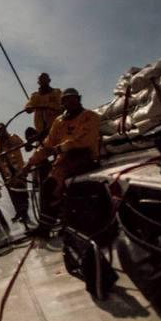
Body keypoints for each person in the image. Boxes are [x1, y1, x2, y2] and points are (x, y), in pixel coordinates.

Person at [21, 88, 100, 237]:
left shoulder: (90, 116)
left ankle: (65, 223)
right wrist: (29, 164)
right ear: (62, 103)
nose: (69, 102)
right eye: (66, 99)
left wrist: (60, 148)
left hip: (84, 157)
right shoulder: (59, 121)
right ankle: (46, 227)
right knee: (48, 186)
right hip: (64, 161)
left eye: (73, 98)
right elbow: (47, 144)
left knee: (60, 187)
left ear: (79, 99)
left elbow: (86, 139)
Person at [25, 73, 63, 138]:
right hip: (41, 129)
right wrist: (28, 108)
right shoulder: (35, 96)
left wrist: (61, 108)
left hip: (56, 127)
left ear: (49, 80)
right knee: (29, 131)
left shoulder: (56, 92)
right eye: (41, 80)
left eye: (45, 79)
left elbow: (63, 104)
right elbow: (29, 106)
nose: (43, 81)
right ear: (38, 82)